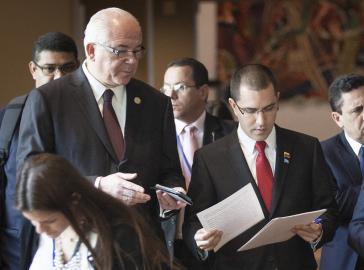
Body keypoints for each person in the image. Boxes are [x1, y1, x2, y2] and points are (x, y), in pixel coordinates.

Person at [16, 6, 184, 264]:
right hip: (79, 244)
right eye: (120, 51)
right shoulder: (49, 100)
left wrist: (171, 192)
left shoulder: (155, 103)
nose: (132, 60)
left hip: (142, 248)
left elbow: (169, 169)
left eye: (137, 50)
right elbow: (30, 172)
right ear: (91, 50)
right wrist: (97, 185)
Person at [183, 64, 338, 270]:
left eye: (269, 108)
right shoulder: (209, 158)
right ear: (233, 106)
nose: (261, 121)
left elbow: (328, 209)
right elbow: (193, 222)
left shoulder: (306, 148)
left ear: (278, 100)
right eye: (250, 111)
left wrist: (320, 229)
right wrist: (200, 239)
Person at [0, 31, 79, 270]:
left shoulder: (92, 119)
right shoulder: (9, 117)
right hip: (17, 247)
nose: (58, 78)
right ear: (33, 70)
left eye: (67, 68)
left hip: (77, 246)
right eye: (49, 69)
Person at [15, 153, 176, 270]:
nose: (40, 230)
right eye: (33, 221)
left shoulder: (119, 238)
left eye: (49, 221)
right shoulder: (48, 234)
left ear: (74, 201)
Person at [160, 57, 236, 269]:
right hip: (169, 244)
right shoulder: (154, 137)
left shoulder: (230, 134)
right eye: (165, 88)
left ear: (203, 92)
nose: (170, 95)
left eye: (180, 87)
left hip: (218, 243)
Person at [320, 73, 364, 270]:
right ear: (338, 118)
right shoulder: (322, 153)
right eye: (358, 110)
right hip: (345, 261)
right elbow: (333, 209)